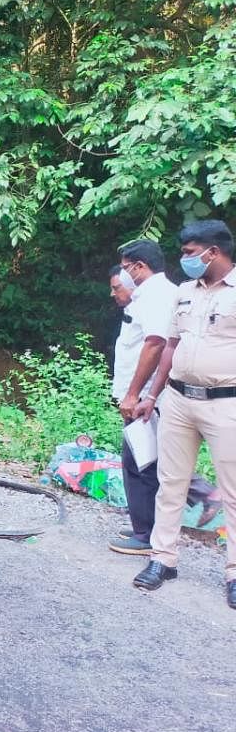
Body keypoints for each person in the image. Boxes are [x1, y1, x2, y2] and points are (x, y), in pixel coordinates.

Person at [131, 220, 236, 610]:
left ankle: (234, 572)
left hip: (226, 402)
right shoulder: (185, 292)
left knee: (233, 491)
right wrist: (151, 394)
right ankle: (163, 559)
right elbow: (170, 347)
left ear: (214, 251)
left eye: (190, 253)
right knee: (170, 482)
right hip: (178, 400)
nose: (185, 260)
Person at [106, 254, 218, 555]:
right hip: (150, 395)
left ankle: (146, 535)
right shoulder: (157, 294)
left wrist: (137, 394)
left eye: (126, 270)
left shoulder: (156, 295)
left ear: (139, 267)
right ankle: (148, 528)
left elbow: (156, 344)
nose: (118, 287)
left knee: (142, 463)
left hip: (147, 398)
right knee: (150, 460)